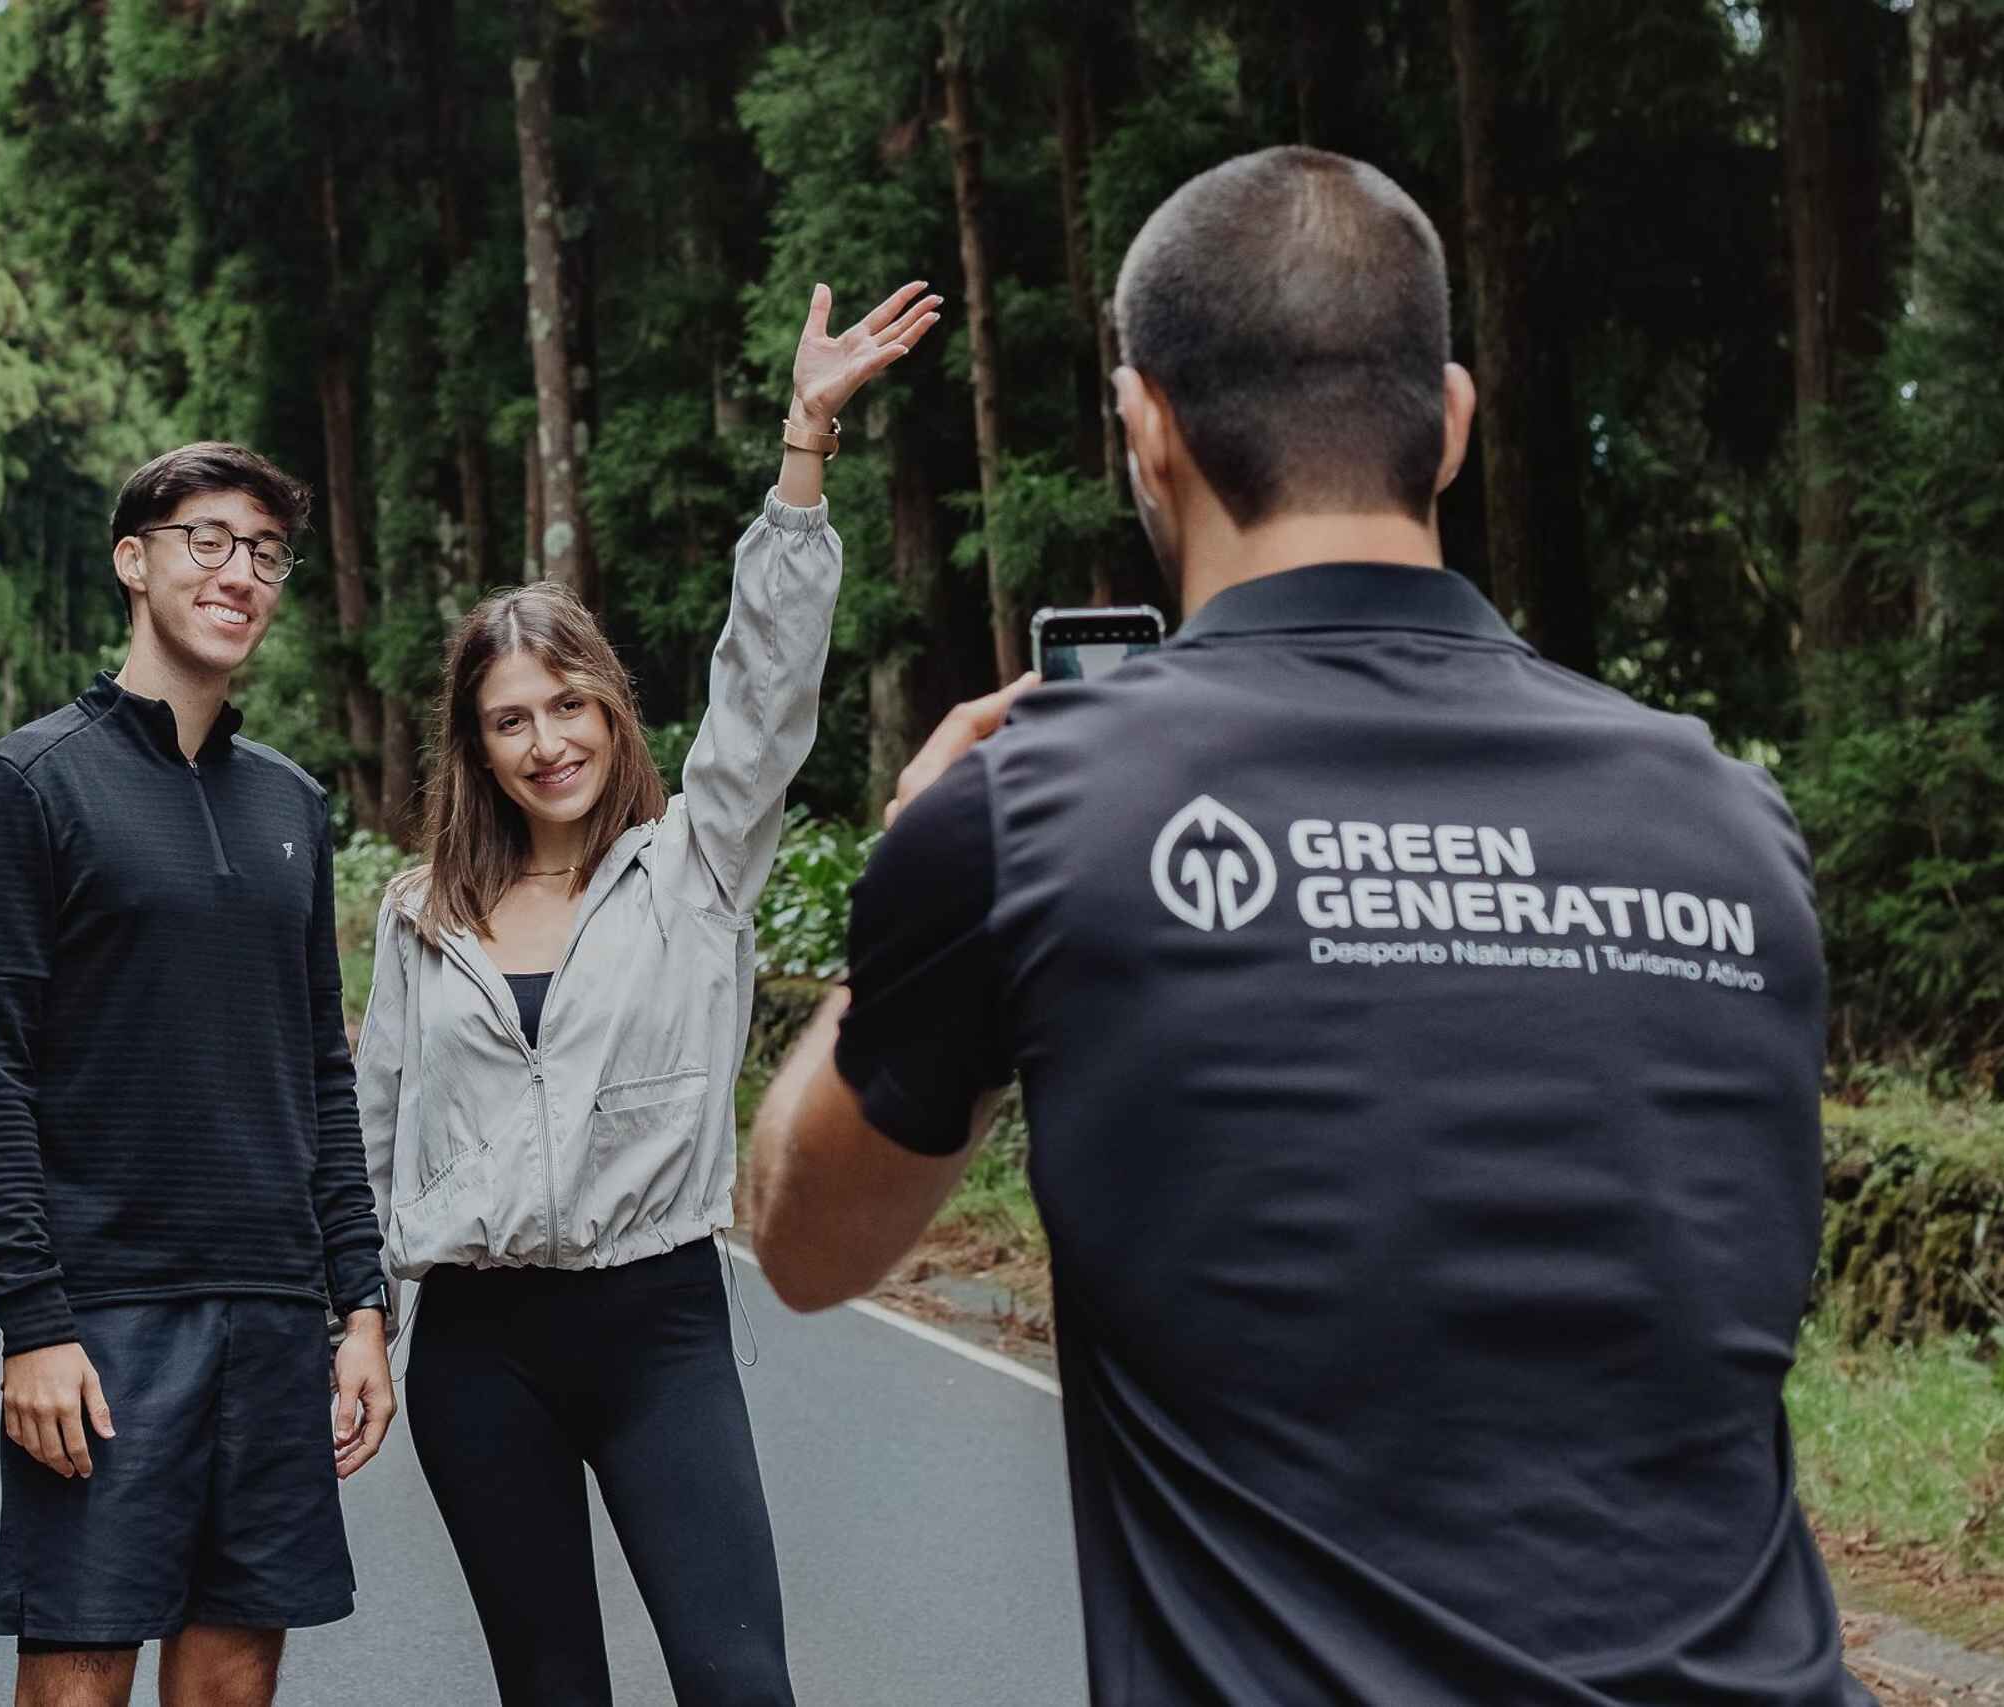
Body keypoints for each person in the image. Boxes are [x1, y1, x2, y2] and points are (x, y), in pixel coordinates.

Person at [749, 148, 1870, 1706]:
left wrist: (913, 891)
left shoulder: (1030, 820)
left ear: (1148, 429)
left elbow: (804, 1240)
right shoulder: (1735, 821)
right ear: (1455, 422)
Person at [354, 280, 940, 1707]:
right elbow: (370, 1128)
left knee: (738, 1678)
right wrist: (356, 1317)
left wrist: (803, 446)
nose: (545, 739)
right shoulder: (419, 913)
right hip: (476, 1347)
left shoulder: (695, 867)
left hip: (657, 1325)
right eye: (510, 719)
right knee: (553, 1689)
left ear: (611, 709)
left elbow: (762, 693)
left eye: (569, 704)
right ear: (476, 748)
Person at [0, 442, 396, 1707]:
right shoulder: (26, 786)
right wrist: (34, 1324)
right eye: (208, 538)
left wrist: (359, 1305)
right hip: (108, 1322)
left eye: (264, 551)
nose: (238, 571)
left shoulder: (290, 803)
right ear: (134, 562)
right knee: (79, 1679)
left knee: (235, 1678)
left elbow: (319, 1073)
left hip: (273, 1317)